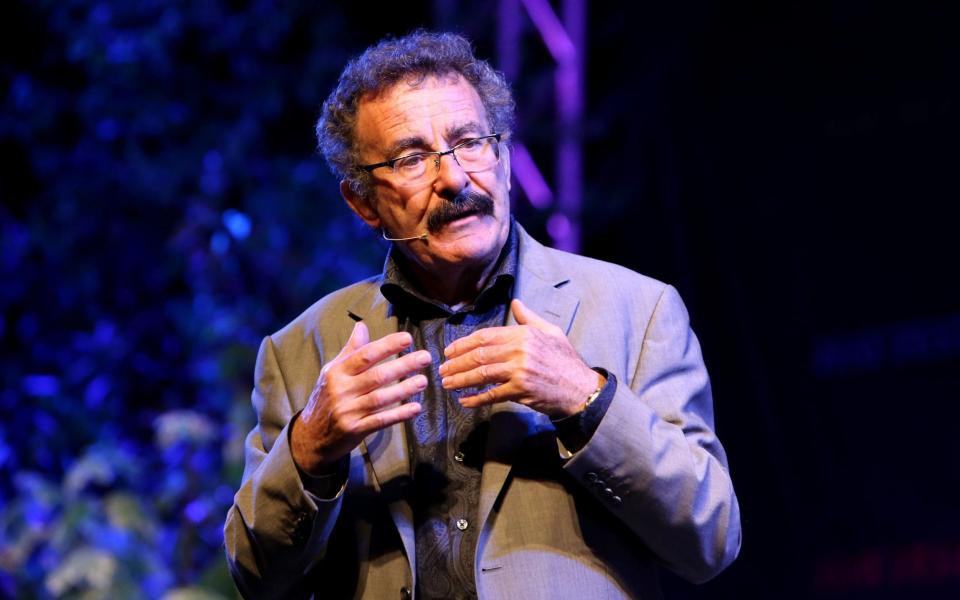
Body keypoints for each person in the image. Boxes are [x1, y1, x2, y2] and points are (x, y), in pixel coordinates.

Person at [224, 31, 741, 600]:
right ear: (362, 202)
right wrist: (310, 449)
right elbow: (255, 575)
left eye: (471, 142)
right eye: (411, 158)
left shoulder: (638, 310)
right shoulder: (303, 349)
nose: (454, 179)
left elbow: (709, 536)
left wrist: (586, 400)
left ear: (505, 158)